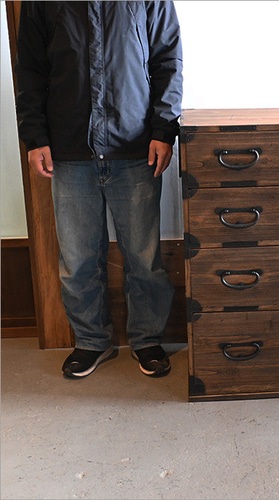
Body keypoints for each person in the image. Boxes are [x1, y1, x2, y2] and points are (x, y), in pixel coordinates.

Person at [15, 1, 183, 379]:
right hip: (69, 148)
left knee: (144, 257)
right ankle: (92, 340)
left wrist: (164, 130)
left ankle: (147, 339)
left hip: (136, 145)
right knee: (77, 259)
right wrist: (35, 137)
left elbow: (168, 59)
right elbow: (30, 68)